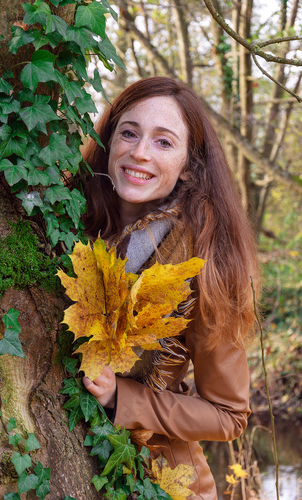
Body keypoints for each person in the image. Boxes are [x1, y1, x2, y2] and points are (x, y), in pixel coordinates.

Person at [79, 77, 259, 499]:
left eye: (164, 142)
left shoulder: (207, 262)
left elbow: (228, 415)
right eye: (129, 132)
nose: (139, 152)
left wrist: (121, 396)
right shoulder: (62, 215)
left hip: (161, 481)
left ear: (188, 166)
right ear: (108, 139)